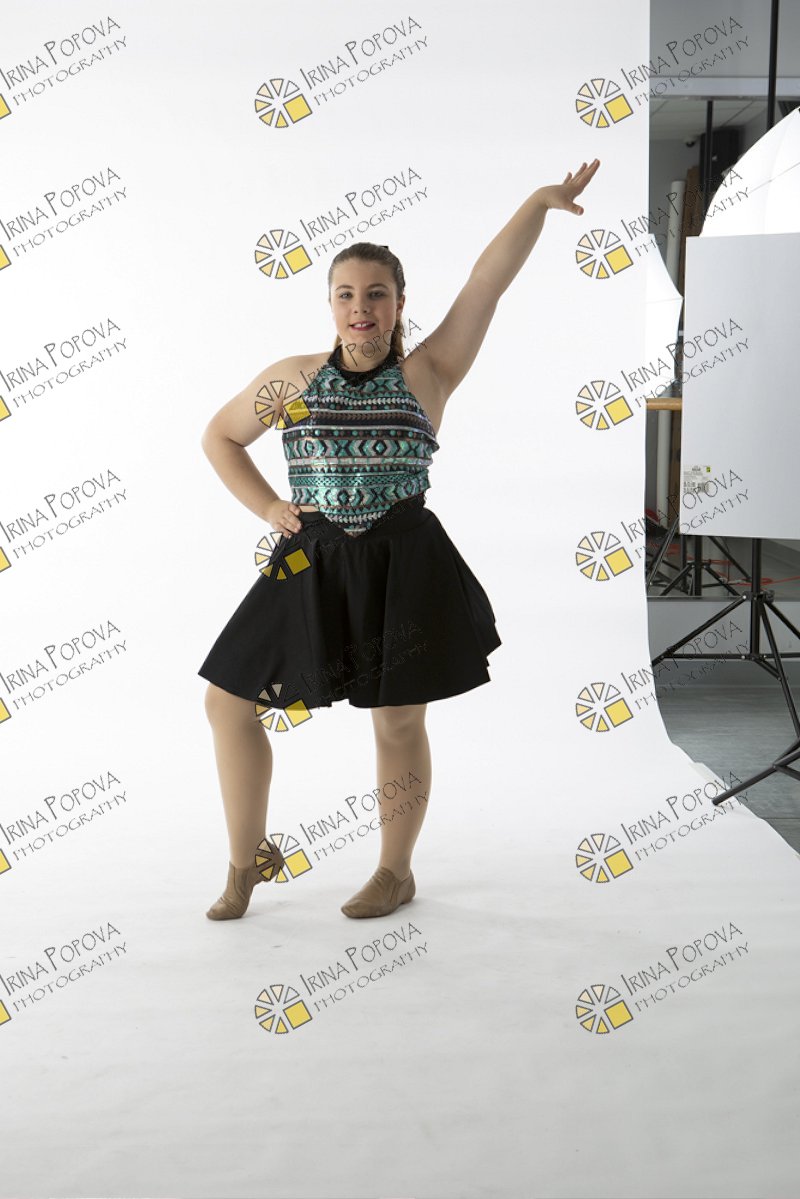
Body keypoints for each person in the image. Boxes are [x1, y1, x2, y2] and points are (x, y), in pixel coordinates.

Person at [198, 159, 601, 921]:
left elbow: (485, 284)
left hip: (404, 559)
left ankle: (395, 870)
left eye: (376, 293)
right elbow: (220, 436)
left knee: (398, 718)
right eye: (346, 294)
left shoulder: (430, 371)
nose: (361, 307)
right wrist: (268, 506)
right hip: (311, 556)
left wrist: (538, 204)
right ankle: (246, 861)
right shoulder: (292, 377)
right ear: (330, 303)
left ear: (399, 303)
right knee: (228, 701)